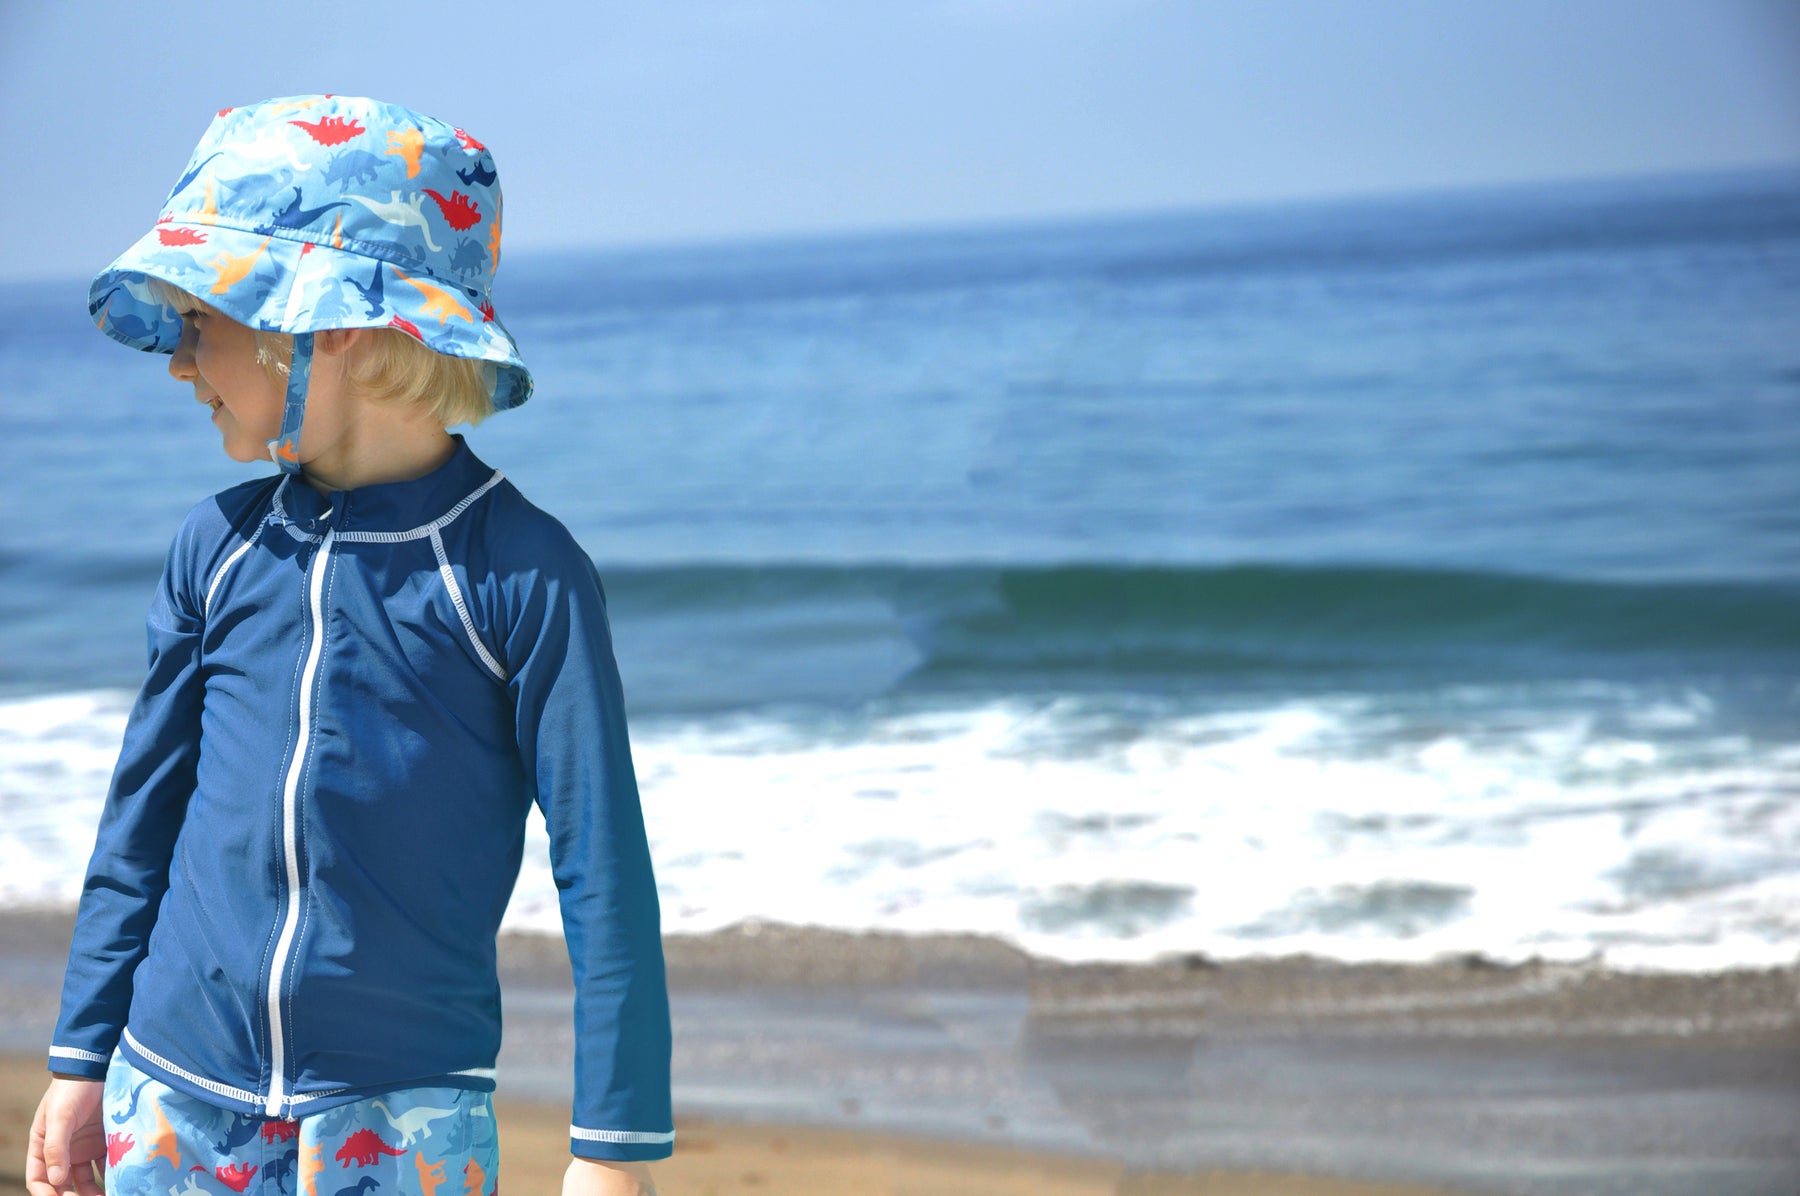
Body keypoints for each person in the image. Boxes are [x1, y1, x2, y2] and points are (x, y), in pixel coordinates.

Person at [23, 95, 672, 1196]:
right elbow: (140, 824)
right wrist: (83, 1056)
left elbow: (603, 875)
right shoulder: (218, 549)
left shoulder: (518, 572)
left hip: (404, 1111)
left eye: (202, 320)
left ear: (332, 330)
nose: (180, 359)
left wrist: (611, 1149)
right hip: (171, 1090)